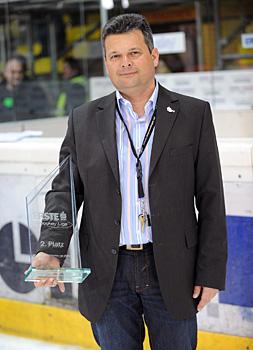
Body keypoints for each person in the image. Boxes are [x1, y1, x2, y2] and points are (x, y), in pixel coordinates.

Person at [32, 13, 227, 350]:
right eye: (115, 56)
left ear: (153, 56)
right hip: (108, 272)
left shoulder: (193, 114)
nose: (125, 63)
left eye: (134, 53)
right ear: (106, 63)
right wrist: (51, 249)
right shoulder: (84, 119)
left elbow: (210, 196)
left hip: (172, 269)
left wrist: (210, 272)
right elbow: (65, 190)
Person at [0, 55, 50, 122]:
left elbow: (42, 114)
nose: (17, 76)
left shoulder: (35, 91)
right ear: (5, 72)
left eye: (20, 72)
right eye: (13, 72)